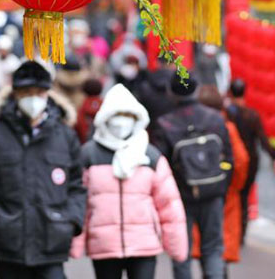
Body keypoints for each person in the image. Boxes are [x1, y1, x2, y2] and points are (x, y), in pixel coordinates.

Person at [0, 60, 86, 279]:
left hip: (52, 239)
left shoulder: (64, 135)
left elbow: (78, 184)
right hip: (8, 241)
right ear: (15, 94)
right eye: (26, 92)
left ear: (48, 94)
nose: (33, 98)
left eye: (39, 92)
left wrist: (71, 220)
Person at [70, 84, 188, 278]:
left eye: (127, 116)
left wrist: (176, 245)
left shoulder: (150, 156)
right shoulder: (89, 155)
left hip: (144, 245)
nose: (121, 122)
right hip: (104, 245)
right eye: (117, 115)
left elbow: (169, 204)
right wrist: (75, 243)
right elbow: (79, 202)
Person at [152, 75, 233, 279]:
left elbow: (161, 165)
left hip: (181, 196)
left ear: (171, 93)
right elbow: (228, 158)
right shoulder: (215, 118)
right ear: (196, 89)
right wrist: (221, 186)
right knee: (213, 248)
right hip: (213, 192)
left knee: (182, 252)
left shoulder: (165, 124)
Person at [190, 86, 250, 272]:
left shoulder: (192, 127)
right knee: (219, 248)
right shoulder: (227, 127)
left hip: (197, 192)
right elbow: (241, 160)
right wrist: (235, 186)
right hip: (225, 193)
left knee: (204, 247)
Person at [225, 78, 275, 243]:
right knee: (243, 197)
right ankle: (241, 233)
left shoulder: (227, 114)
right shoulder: (252, 115)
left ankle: (232, 231)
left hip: (231, 160)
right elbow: (263, 139)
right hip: (250, 162)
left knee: (230, 195)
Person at [75, 78, 104, 143]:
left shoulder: (81, 105)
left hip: (83, 142)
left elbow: (78, 124)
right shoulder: (104, 105)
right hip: (102, 143)